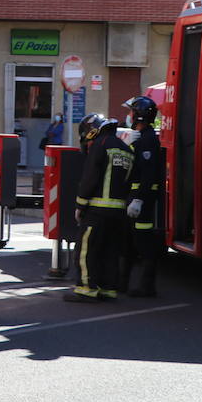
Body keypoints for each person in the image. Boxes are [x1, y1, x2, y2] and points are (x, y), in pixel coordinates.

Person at [66, 113, 133, 303]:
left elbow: (90, 177)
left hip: (96, 210)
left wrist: (80, 204)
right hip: (119, 212)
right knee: (110, 250)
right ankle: (108, 289)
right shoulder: (125, 149)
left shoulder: (100, 145)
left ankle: (86, 289)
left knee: (86, 250)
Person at [121, 95, 163, 297]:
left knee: (144, 244)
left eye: (131, 112)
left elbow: (148, 173)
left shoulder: (147, 140)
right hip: (134, 197)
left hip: (142, 200)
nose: (128, 115)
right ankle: (122, 283)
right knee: (128, 243)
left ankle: (148, 286)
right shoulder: (140, 138)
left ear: (138, 116)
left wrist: (138, 199)